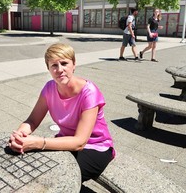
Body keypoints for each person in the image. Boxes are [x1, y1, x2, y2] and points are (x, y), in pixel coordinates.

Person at [8, 43, 115, 183]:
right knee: (35, 170)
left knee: (61, 179)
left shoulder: (89, 92)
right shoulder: (49, 88)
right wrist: (20, 136)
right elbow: (32, 120)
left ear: (74, 64)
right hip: (65, 140)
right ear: (48, 69)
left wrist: (39, 142)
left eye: (64, 63)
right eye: (54, 65)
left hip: (96, 147)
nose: (60, 70)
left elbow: (80, 142)